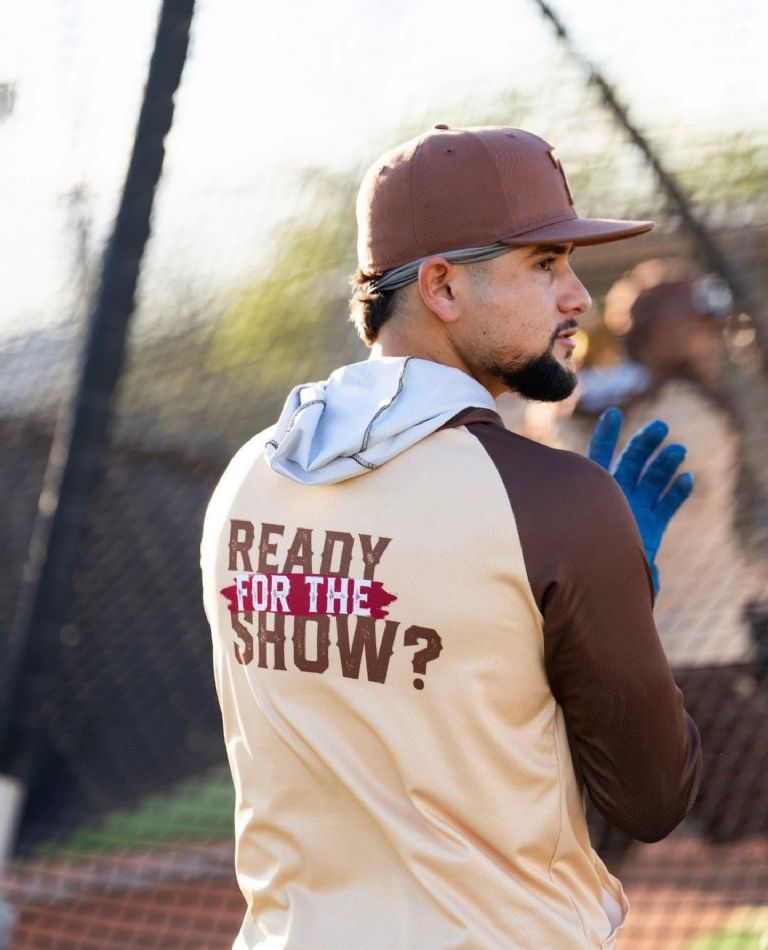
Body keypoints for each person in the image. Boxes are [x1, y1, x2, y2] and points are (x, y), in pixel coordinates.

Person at [201, 125, 702, 949]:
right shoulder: (556, 501)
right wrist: (621, 587)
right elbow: (651, 799)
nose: (577, 297)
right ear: (441, 286)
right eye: (545, 264)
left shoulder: (246, 478)